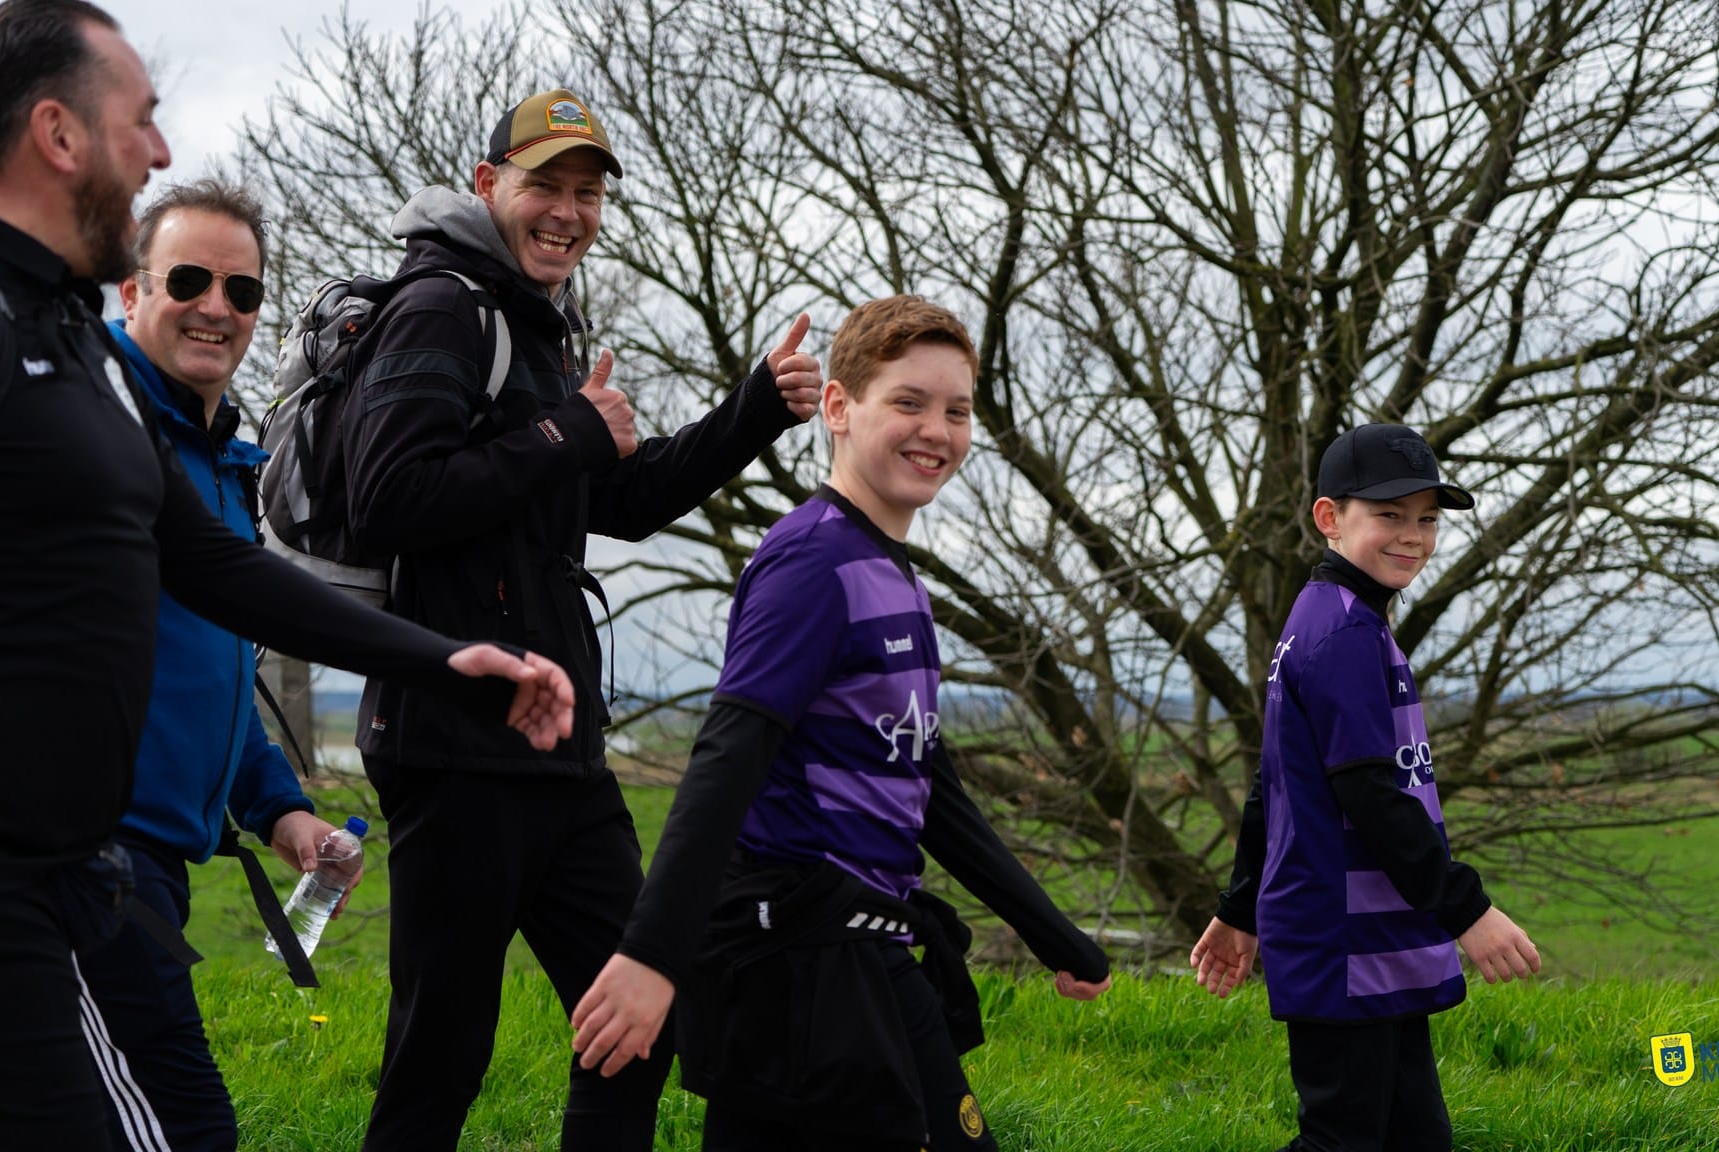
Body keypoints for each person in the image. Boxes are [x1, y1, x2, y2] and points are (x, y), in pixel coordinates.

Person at [0, 6, 575, 1150]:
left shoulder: (63, 336)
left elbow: (213, 566)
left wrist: (443, 659)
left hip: (55, 884)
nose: (158, 151)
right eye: (141, 121)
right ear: (58, 133)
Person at [341, 88, 821, 1151]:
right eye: (544, 186)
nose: (568, 212)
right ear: (486, 185)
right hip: (455, 745)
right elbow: (390, 498)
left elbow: (621, 500)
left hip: (560, 753)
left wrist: (752, 409)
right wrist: (565, 433)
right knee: (441, 1054)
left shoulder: (535, 325)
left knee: (637, 1023)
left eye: (587, 194)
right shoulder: (442, 308)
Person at [571, 295, 1113, 1152]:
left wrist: (1054, 935)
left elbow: (924, 784)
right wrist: (650, 956)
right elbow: (727, 761)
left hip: (840, 948)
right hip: (802, 959)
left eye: (957, 411)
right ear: (837, 407)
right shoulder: (813, 562)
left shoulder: (890, 572)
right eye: (908, 402)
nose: (936, 430)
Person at [62, 178, 347, 1152]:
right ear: (131, 291)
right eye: (187, 280)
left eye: (243, 290)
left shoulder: (229, 469)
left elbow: (209, 676)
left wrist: (281, 811)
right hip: (85, 859)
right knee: (186, 1125)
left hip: (153, 870)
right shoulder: (90, 434)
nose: (217, 307)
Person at [1187, 424, 1542, 1152]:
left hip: (1371, 937)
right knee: (1341, 1141)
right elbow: (1371, 794)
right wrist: (1466, 908)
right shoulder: (1343, 634)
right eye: (1389, 514)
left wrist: (1240, 905)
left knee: (1416, 1139)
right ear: (1330, 517)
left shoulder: (1331, 617)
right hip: (1342, 938)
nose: (1413, 535)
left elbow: (1276, 781)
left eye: (1427, 518)